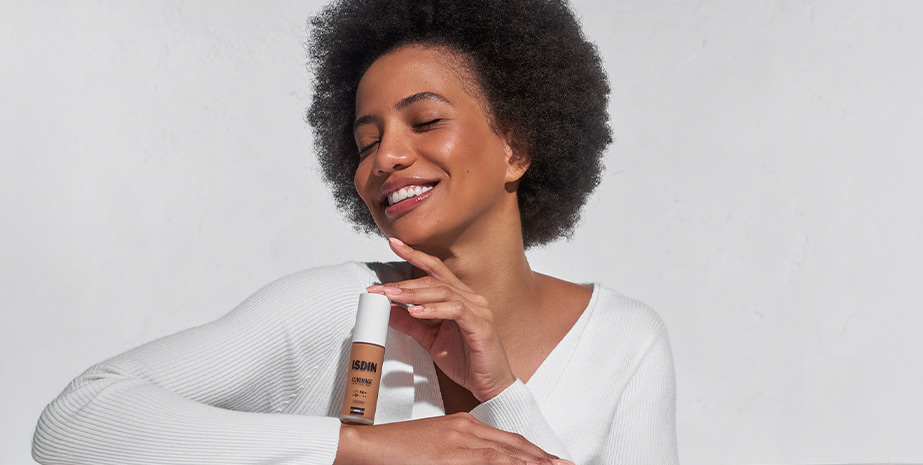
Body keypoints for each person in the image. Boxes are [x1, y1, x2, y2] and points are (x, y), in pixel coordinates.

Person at [33, 0, 678, 464]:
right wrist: (365, 448)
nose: (385, 157)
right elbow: (75, 422)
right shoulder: (340, 310)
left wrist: (500, 392)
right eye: (366, 142)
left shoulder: (623, 341)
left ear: (517, 149)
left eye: (425, 122)